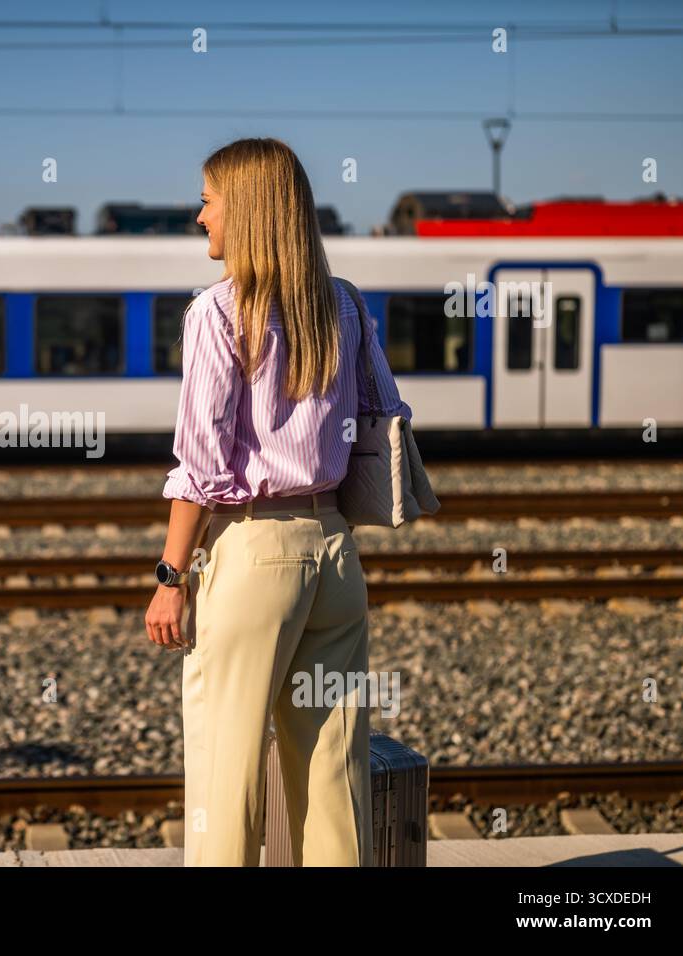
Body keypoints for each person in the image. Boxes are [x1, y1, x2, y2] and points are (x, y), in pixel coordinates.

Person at [144, 137, 412, 867]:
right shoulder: (346, 305)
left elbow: (198, 467)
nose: (200, 218)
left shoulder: (219, 312)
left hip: (255, 554)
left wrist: (171, 579)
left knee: (225, 769)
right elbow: (386, 412)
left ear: (249, 211)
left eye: (209, 200)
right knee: (333, 767)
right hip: (334, 553)